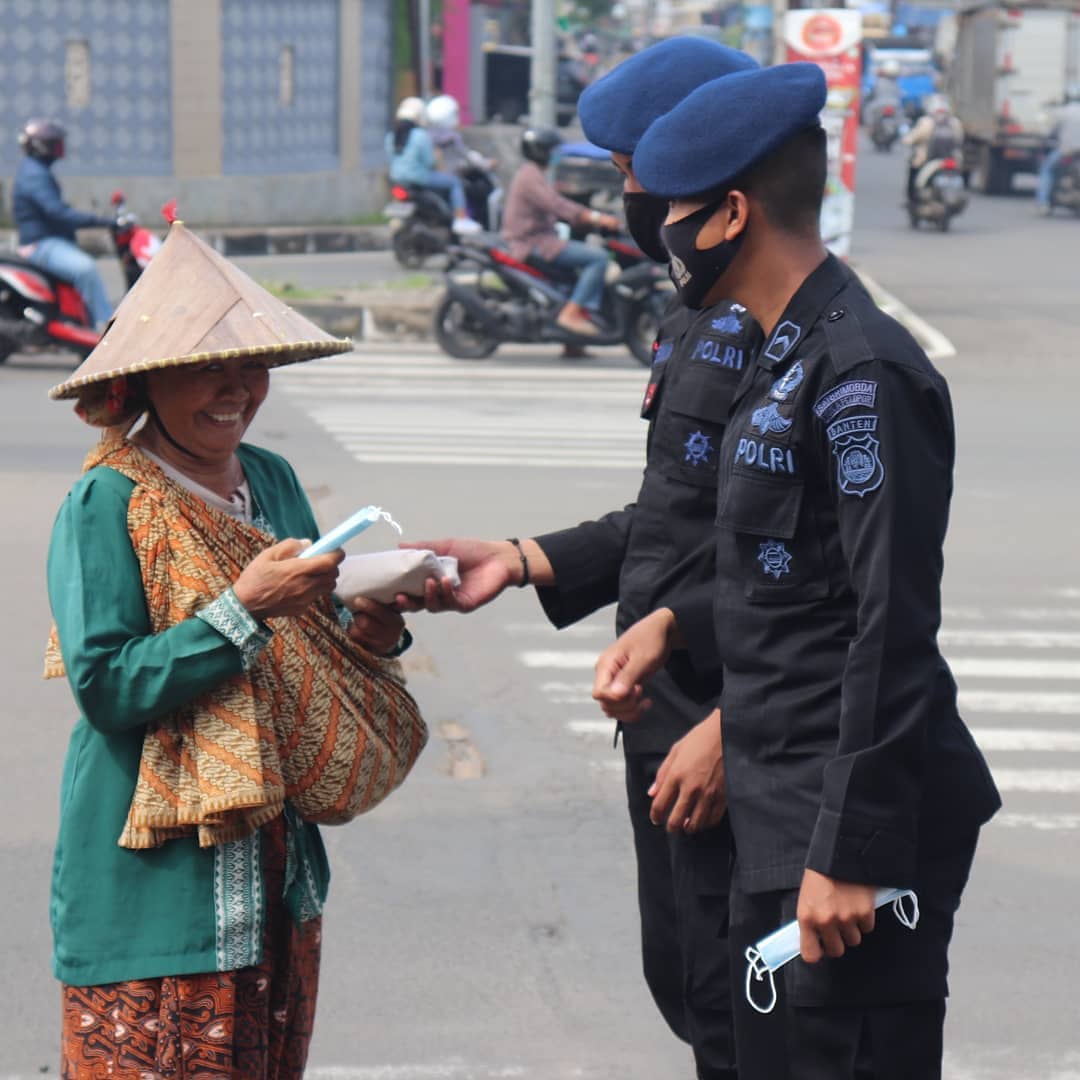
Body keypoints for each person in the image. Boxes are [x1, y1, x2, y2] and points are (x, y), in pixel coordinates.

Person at [590, 61, 1001, 1080]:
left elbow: (889, 626)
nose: (659, 227)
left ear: (730, 214)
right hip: (779, 805)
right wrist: (677, 623)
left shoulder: (862, 373)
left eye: (673, 206)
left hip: (839, 826)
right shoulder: (782, 355)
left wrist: (852, 853)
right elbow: (790, 577)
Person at [399, 37, 759, 1080]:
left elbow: (830, 576)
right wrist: (520, 558)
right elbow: (671, 516)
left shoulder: (800, 342)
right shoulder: (692, 312)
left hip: (736, 722)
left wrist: (738, 724)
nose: (633, 197)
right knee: (687, 985)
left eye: (641, 173)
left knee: (742, 1014)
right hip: (662, 712)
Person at [44, 221, 427, 1077]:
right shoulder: (107, 502)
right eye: (205, 369)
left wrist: (375, 629)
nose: (236, 390)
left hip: (273, 865)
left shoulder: (273, 478)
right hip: (153, 883)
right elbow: (106, 687)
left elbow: (314, 648)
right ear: (145, 380)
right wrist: (242, 611)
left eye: (252, 367)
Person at [501, 126, 619, 337]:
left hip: (541, 238)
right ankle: (571, 314)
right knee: (598, 258)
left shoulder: (534, 174)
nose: (556, 155)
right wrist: (594, 217)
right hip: (533, 243)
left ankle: (573, 342)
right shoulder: (530, 176)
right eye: (553, 151)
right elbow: (556, 204)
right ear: (541, 151)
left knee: (573, 276)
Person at [12, 118, 114, 328]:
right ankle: (105, 327)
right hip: (41, 244)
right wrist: (100, 221)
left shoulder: (36, 170)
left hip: (48, 241)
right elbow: (57, 212)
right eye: (54, 143)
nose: (59, 148)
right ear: (41, 146)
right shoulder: (35, 174)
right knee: (86, 269)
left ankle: (83, 322)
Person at [386, 96, 481, 235]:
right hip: (419, 178)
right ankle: (460, 218)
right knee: (455, 182)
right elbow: (429, 161)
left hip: (397, 179)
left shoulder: (391, 136)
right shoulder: (420, 135)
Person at [425, 93, 500, 230]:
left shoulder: (427, 135)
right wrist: (485, 164)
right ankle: (461, 217)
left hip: (435, 174)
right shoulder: (452, 137)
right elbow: (466, 156)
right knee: (459, 184)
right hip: (449, 175)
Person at [902, 94, 964, 203]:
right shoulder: (955, 122)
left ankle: (912, 199)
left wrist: (907, 140)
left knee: (914, 171)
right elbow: (959, 139)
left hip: (927, 158)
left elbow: (913, 137)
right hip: (951, 158)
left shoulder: (926, 122)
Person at [1036, 84, 1080, 213]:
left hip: (1067, 151)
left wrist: (1045, 141)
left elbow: (1051, 132)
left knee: (1046, 170)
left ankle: (1043, 203)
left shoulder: (1063, 112)